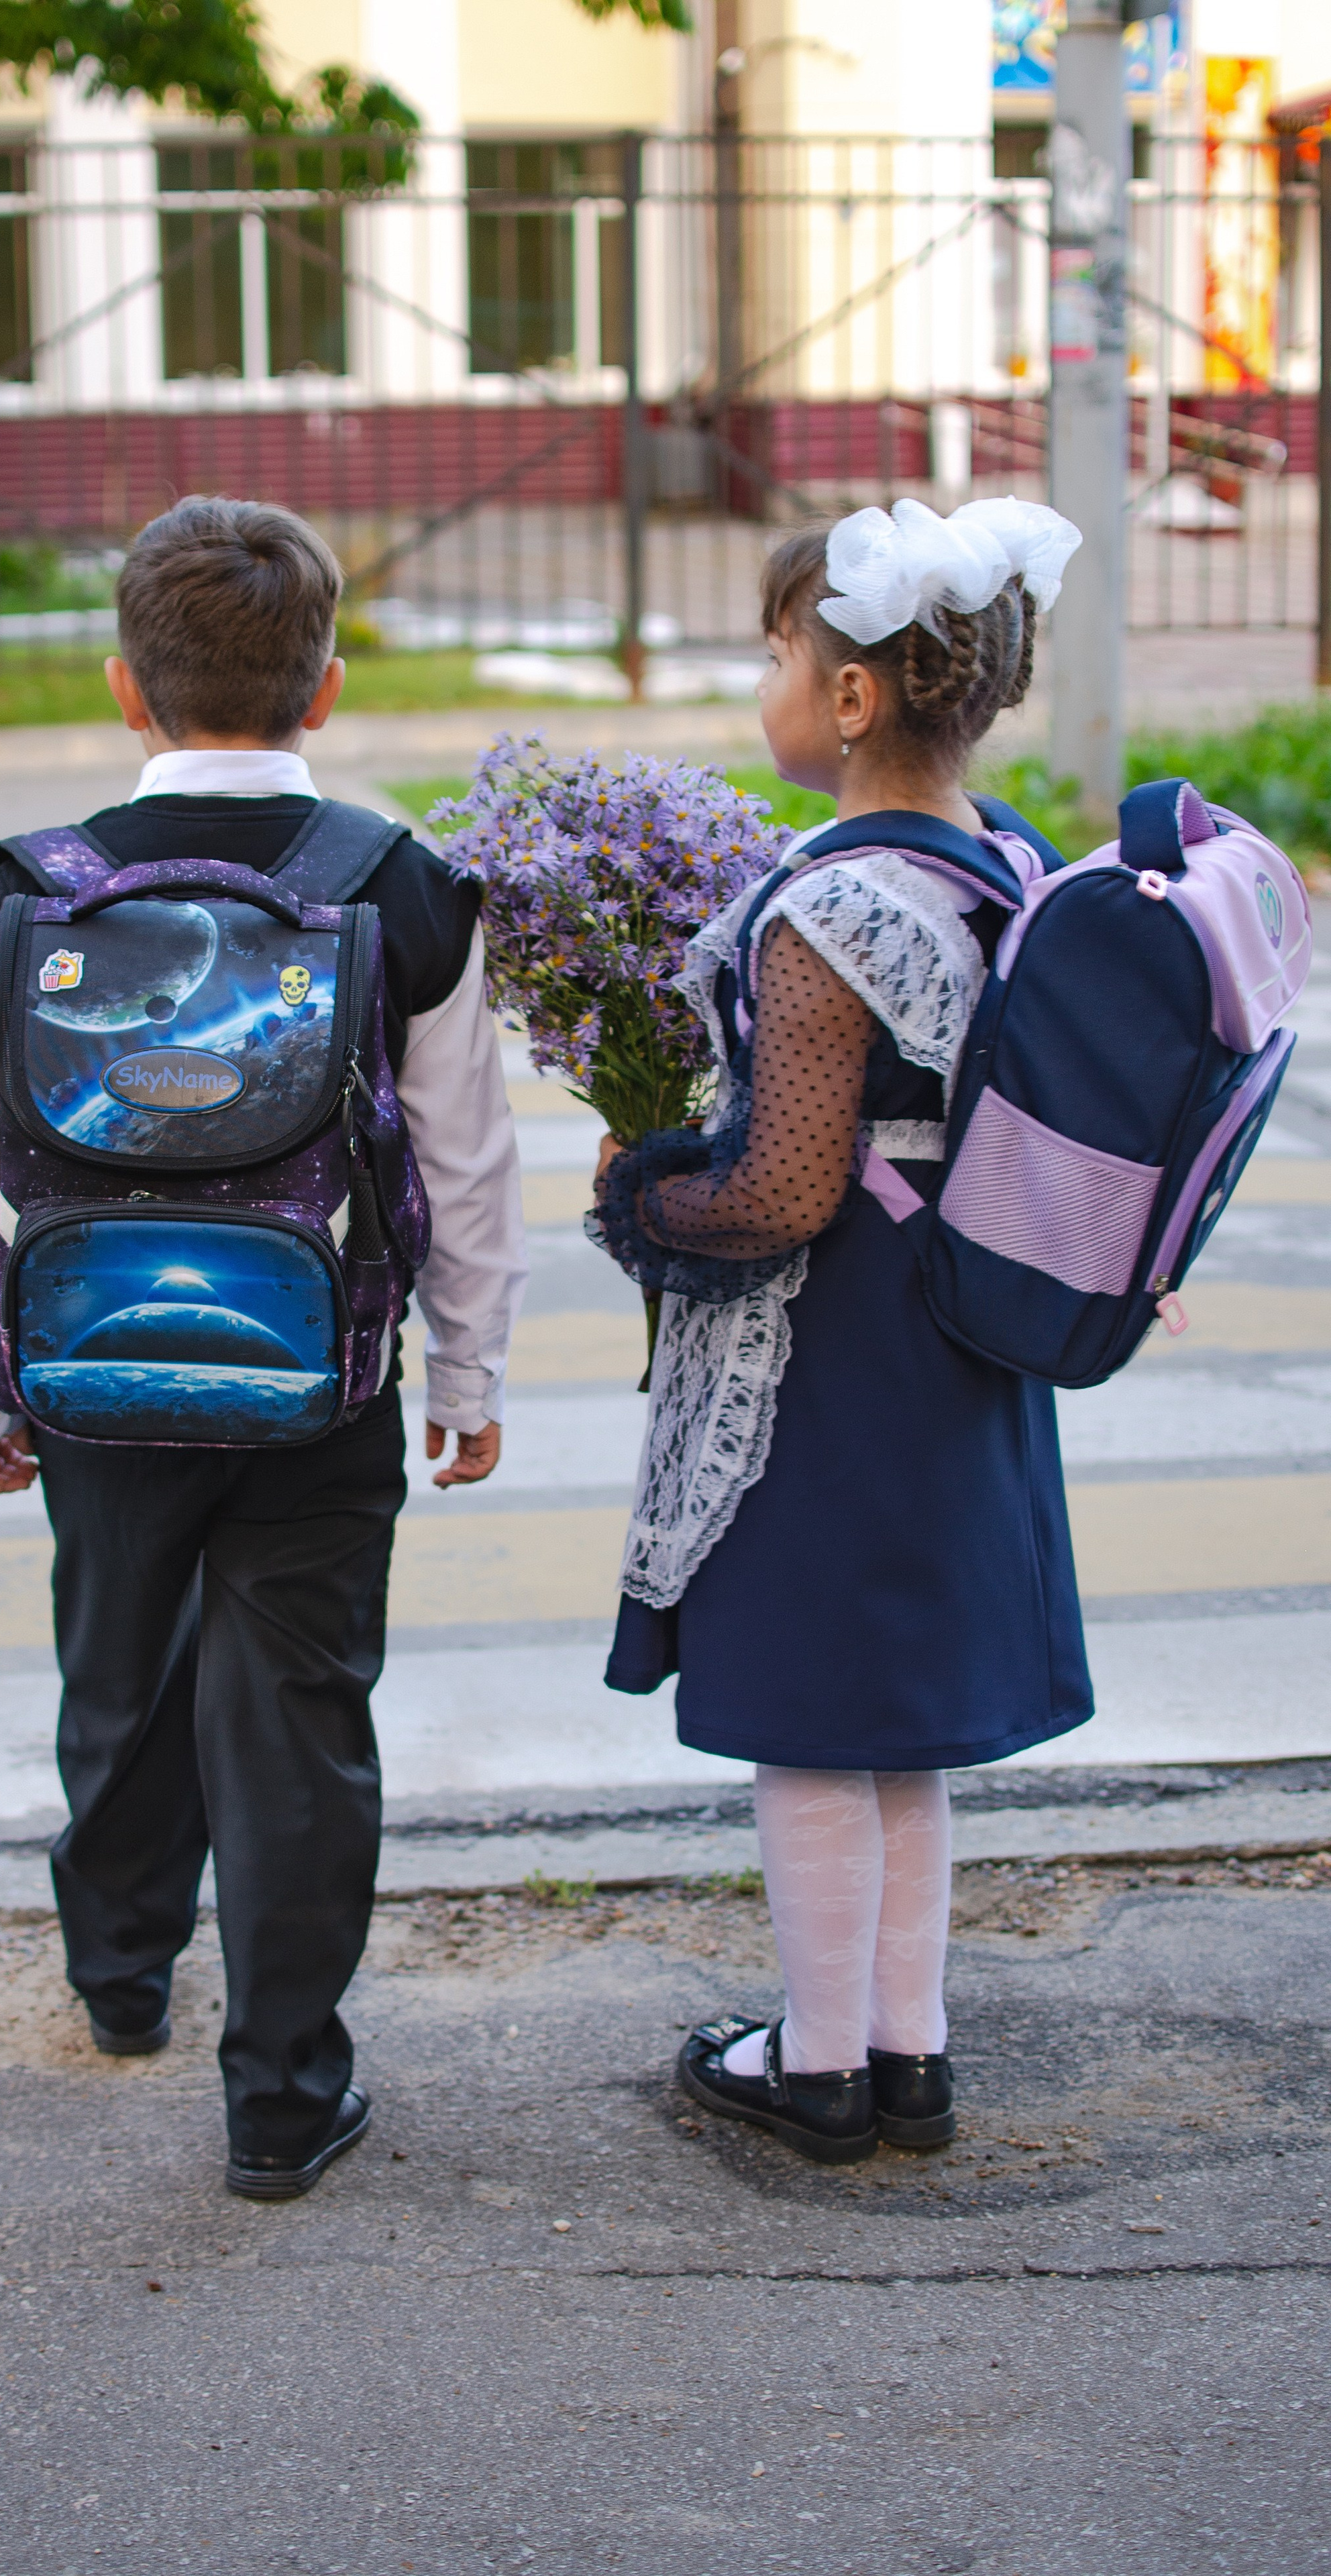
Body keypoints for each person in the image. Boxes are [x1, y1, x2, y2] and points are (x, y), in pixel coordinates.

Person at [0, 496, 525, 2198]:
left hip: (93, 1365)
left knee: (115, 1677)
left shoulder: (38, 887)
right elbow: (467, 1167)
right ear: (325, 688)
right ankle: (281, 2097)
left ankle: (119, 1985)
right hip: (313, 1380)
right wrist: (464, 1377)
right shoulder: (399, 888)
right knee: (304, 1721)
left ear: (128, 689)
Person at [592, 497, 1092, 2164]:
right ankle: (907, 2051)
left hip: (837, 1356)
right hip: (960, 1337)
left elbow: (783, 1194)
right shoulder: (1003, 859)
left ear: (853, 697)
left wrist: (644, 1196)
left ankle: (812, 2068)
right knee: (901, 1716)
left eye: (777, 652)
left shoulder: (832, 907)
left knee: (812, 1707)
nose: (769, 681)